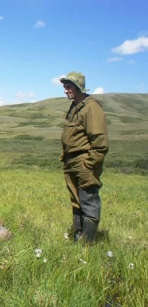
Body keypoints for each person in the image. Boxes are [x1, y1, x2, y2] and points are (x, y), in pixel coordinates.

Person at [59, 71, 109, 243]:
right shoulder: (75, 106)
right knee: (76, 201)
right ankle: (78, 238)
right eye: (65, 87)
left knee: (88, 201)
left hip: (83, 162)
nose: (66, 90)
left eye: (69, 87)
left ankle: (88, 245)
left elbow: (100, 140)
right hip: (72, 161)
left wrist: (90, 163)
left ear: (79, 86)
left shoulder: (91, 107)